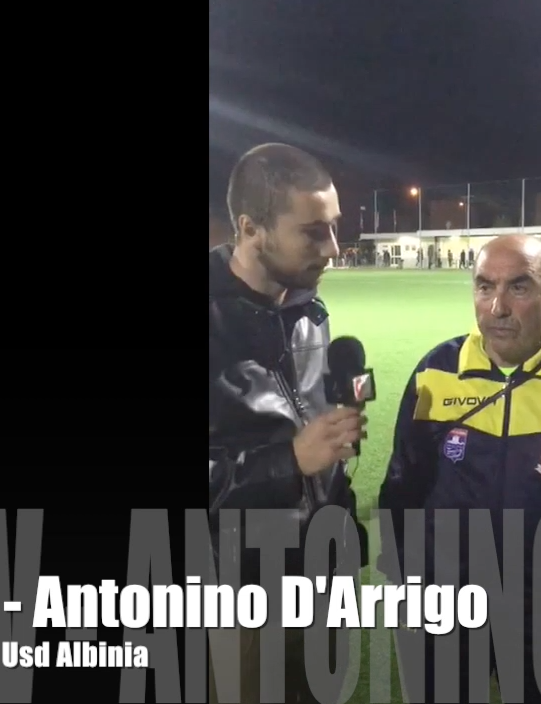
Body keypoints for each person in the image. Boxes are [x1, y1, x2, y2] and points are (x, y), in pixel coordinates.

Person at [378, 235, 541, 703]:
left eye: (519, 287)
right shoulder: (437, 371)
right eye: (485, 286)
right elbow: (402, 487)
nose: (497, 307)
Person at [209, 142, 368, 704]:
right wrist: (290, 460)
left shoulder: (308, 309)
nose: (333, 248)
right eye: (313, 232)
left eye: (334, 227)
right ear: (251, 229)